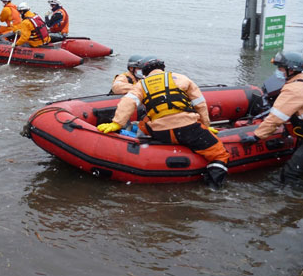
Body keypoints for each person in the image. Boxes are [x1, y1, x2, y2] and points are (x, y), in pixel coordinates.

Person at [97, 56, 229, 189]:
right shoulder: (181, 78)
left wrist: (117, 123)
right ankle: (213, 187)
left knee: (143, 122)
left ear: (144, 72)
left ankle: (142, 142)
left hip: (160, 132)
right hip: (188, 130)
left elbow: (128, 102)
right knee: (219, 154)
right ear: (162, 68)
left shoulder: (141, 85)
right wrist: (205, 126)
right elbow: (200, 104)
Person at [243, 52, 303, 183]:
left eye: (281, 68)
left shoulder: (293, 90)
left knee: (290, 174)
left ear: (291, 69)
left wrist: (256, 136)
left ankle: (294, 201)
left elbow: (276, 118)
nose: (279, 71)